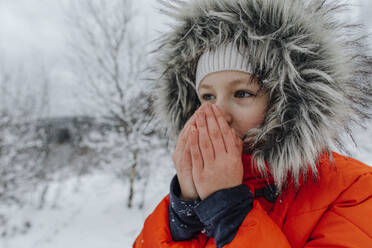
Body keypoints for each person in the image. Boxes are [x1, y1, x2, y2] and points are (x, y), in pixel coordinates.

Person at [133, 0, 372, 247]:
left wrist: (230, 212)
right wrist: (183, 218)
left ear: (287, 101)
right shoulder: (192, 193)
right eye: (207, 97)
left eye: (242, 93)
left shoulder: (356, 190)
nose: (219, 114)